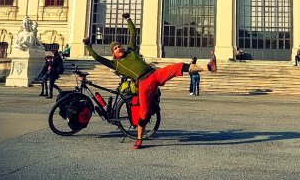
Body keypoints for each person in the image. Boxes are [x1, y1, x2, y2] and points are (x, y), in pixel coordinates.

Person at [83, 12, 216, 149]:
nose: (119, 48)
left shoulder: (131, 51)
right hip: (143, 83)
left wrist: (128, 19)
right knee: (144, 113)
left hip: (154, 74)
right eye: (116, 48)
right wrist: (88, 46)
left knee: (179, 66)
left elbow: (133, 33)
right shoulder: (115, 64)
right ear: (113, 54)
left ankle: (208, 67)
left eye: (119, 46)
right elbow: (97, 58)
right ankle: (139, 139)